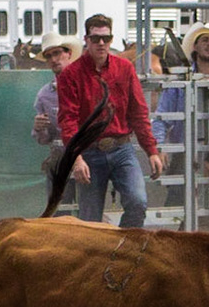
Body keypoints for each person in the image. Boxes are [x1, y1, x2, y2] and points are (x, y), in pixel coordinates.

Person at [57, 14, 163, 228]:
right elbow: (68, 119)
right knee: (90, 219)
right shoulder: (71, 74)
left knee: (138, 201)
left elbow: (138, 112)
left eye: (106, 38)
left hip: (121, 146)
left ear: (111, 39)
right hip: (89, 150)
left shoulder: (124, 68)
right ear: (86, 40)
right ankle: (106, 246)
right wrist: (77, 158)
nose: (101, 43)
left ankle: (123, 243)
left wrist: (151, 150)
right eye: (95, 38)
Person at [156, 22, 209, 145]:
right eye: (205, 40)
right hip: (185, 149)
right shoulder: (179, 81)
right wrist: (158, 147)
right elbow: (162, 118)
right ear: (195, 46)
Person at [32, 36, 81, 202]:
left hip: (89, 154)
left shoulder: (86, 86)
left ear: (68, 54)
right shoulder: (44, 95)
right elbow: (44, 139)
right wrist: (39, 128)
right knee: (59, 209)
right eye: (48, 56)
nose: (53, 59)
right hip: (60, 157)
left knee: (89, 208)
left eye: (57, 53)